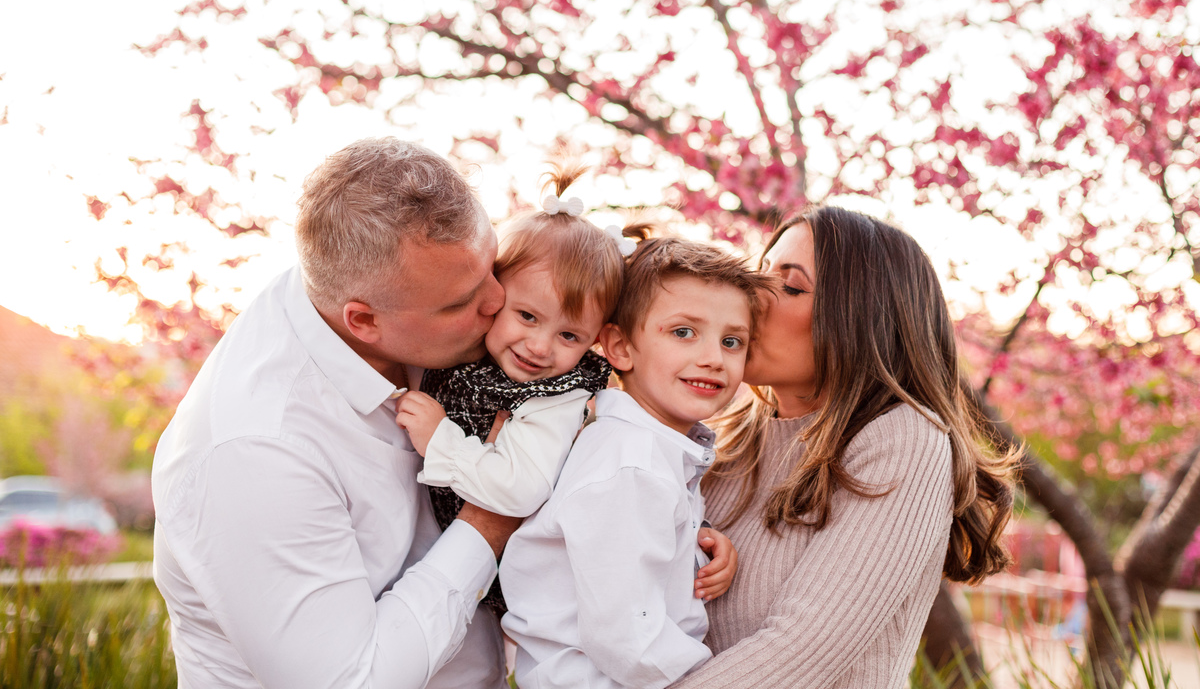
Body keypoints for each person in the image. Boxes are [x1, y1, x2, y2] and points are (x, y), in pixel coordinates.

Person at [152, 138, 520, 689]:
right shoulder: (256, 450)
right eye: (460, 302)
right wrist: (490, 520)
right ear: (363, 321)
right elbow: (350, 681)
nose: (497, 300)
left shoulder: (386, 294)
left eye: (493, 266)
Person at [670, 206, 1020, 689]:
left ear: (861, 319)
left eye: (790, 286)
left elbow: (799, 654)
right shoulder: (719, 438)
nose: (751, 295)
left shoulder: (904, 440)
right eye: (760, 273)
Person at [501, 235, 772, 689]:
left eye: (732, 341)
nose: (713, 359)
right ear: (621, 347)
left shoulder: (651, 451)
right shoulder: (631, 463)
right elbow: (628, 640)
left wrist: (696, 546)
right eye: (683, 332)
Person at [395, 164, 623, 613]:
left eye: (569, 335)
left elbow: (521, 490)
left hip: (517, 582)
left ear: (594, 340)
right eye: (528, 316)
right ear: (494, 293)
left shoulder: (556, 398)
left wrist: (441, 440)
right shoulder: (471, 350)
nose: (539, 347)